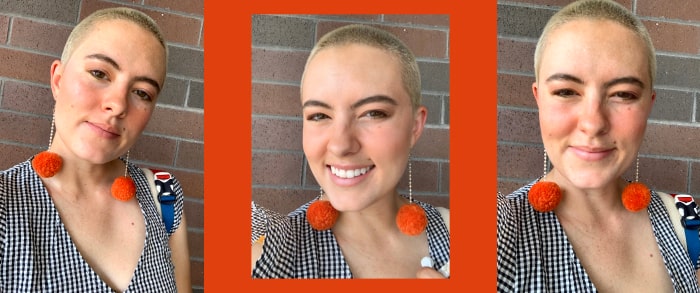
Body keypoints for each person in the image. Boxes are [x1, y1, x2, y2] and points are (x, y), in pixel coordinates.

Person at [497, 0, 700, 291]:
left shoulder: (685, 218)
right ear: (539, 98)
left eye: (623, 94)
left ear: (648, 105)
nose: (593, 123)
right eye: (566, 91)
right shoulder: (504, 230)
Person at [0, 7, 191, 292]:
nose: (118, 105)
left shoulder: (164, 196)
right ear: (58, 80)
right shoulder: (7, 205)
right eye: (100, 73)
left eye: (142, 93)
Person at [250, 24, 450, 279]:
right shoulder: (268, 259)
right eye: (319, 115)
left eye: (373, 113)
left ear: (414, 126)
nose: (341, 145)